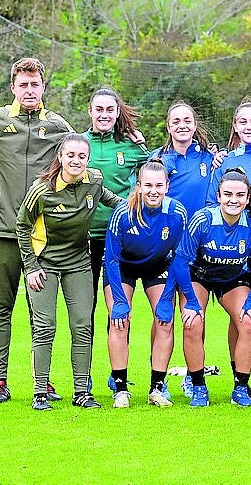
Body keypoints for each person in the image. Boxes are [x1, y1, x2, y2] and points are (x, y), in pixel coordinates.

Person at [0, 58, 75, 404]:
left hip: (42, 238)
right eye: (23, 85)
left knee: (40, 313)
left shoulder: (58, 126)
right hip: (2, 232)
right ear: (13, 87)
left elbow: (83, 149)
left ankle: (41, 380)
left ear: (43, 87)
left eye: (35, 85)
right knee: (1, 307)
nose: (29, 91)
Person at [16, 134, 124, 410]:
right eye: (70, 155)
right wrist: (30, 266)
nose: (76, 161)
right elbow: (22, 226)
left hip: (78, 263)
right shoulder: (42, 190)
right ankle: (40, 392)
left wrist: (147, 200)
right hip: (44, 264)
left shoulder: (95, 181)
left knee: (82, 325)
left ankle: (81, 392)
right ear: (60, 158)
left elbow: (114, 201)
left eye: (82, 156)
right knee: (44, 327)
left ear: (88, 160)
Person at [159, 168, 251, 408]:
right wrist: (190, 301)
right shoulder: (202, 220)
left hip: (233, 279)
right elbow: (180, 261)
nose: (234, 200)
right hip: (198, 276)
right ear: (219, 196)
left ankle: (241, 388)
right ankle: (198, 385)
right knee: (192, 323)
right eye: (228, 194)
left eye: (240, 195)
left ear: (247, 198)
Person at [102, 160, 188, 408]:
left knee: (165, 321)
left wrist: (166, 297)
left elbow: (179, 260)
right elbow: (111, 259)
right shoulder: (123, 213)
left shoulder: (177, 213)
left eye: (159, 185)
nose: (153, 191)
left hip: (158, 266)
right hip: (123, 267)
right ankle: (120, 388)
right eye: (148, 185)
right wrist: (119, 301)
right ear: (138, 186)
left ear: (167, 186)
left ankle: (157, 387)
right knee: (119, 321)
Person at [85, 88, 149, 294]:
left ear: (118, 112)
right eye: (99, 109)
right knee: (86, 303)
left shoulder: (131, 145)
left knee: (118, 302)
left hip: (119, 234)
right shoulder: (79, 143)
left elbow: (155, 173)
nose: (104, 115)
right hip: (84, 235)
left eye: (110, 109)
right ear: (90, 112)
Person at [151, 102, 218, 218]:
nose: (182, 126)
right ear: (168, 127)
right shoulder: (157, 158)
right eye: (176, 122)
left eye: (187, 121)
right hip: (168, 229)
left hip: (200, 231)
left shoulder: (209, 157)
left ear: (195, 125)